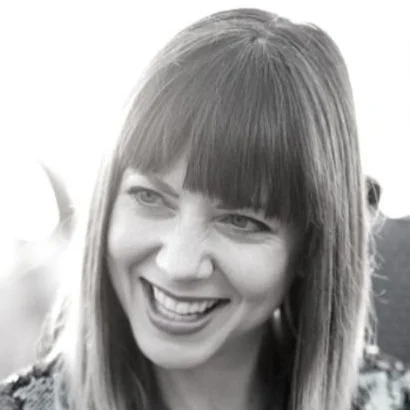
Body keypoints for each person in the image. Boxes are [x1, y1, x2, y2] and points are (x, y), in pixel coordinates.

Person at [0, 8, 409, 410]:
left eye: (240, 221)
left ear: (311, 248)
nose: (178, 264)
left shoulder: (390, 399)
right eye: (149, 197)